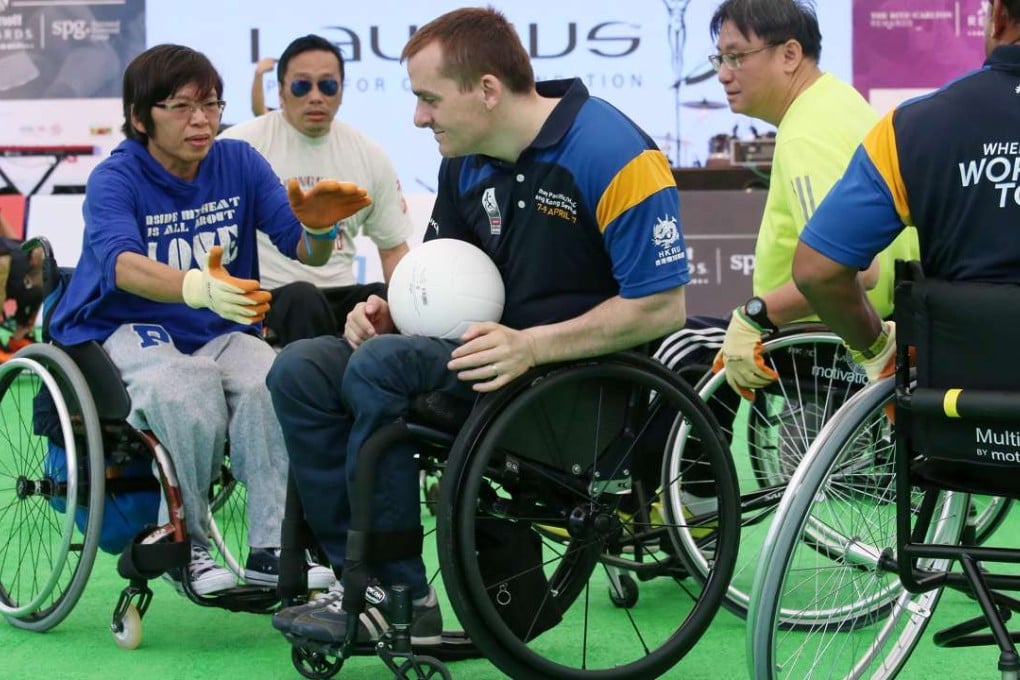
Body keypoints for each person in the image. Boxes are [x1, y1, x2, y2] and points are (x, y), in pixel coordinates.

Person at [266, 6, 691, 646]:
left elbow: (663, 308)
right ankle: (360, 578)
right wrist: (391, 308)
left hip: (570, 390)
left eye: (428, 99)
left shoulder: (614, 153)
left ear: (487, 90)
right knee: (300, 368)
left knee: (383, 367)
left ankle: (391, 588)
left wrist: (531, 345)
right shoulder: (463, 160)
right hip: (481, 368)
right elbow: (444, 277)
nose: (418, 117)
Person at [48, 44, 373, 596]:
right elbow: (123, 266)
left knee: (277, 380)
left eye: (211, 105)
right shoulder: (115, 179)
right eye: (180, 107)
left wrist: (317, 231)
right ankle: (189, 547)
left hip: (217, 330)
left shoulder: (239, 163)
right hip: (119, 329)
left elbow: (301, 249)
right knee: (187, 386)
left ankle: (273, 547)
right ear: (139, 117)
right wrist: (198, 286)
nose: (201, 120)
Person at [653, 0, 918, 400]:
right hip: (878, 327)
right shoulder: (841, 102)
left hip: (832, 343)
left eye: (736, 57)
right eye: (720, 58)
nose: (723, 74)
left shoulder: (806, 132)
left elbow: (853, 270)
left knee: (675, 350)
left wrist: (756, 314)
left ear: (790, 54)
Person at [792, 0, 1020, 380]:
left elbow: (817, 270)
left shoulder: (909, 128)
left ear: (997, 17)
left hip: (958, 413)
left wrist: (878, 351)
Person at [220, 35, 413, 347]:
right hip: (270, 297)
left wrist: (412, 307)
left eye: (327, 86)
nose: (315, 97)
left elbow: (393, 249)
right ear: (281, 91)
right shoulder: (240, 147)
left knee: (385, 300)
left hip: (338, 295)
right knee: (302, 296)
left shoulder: (368, 153)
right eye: (301, 86)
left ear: (341, 91)